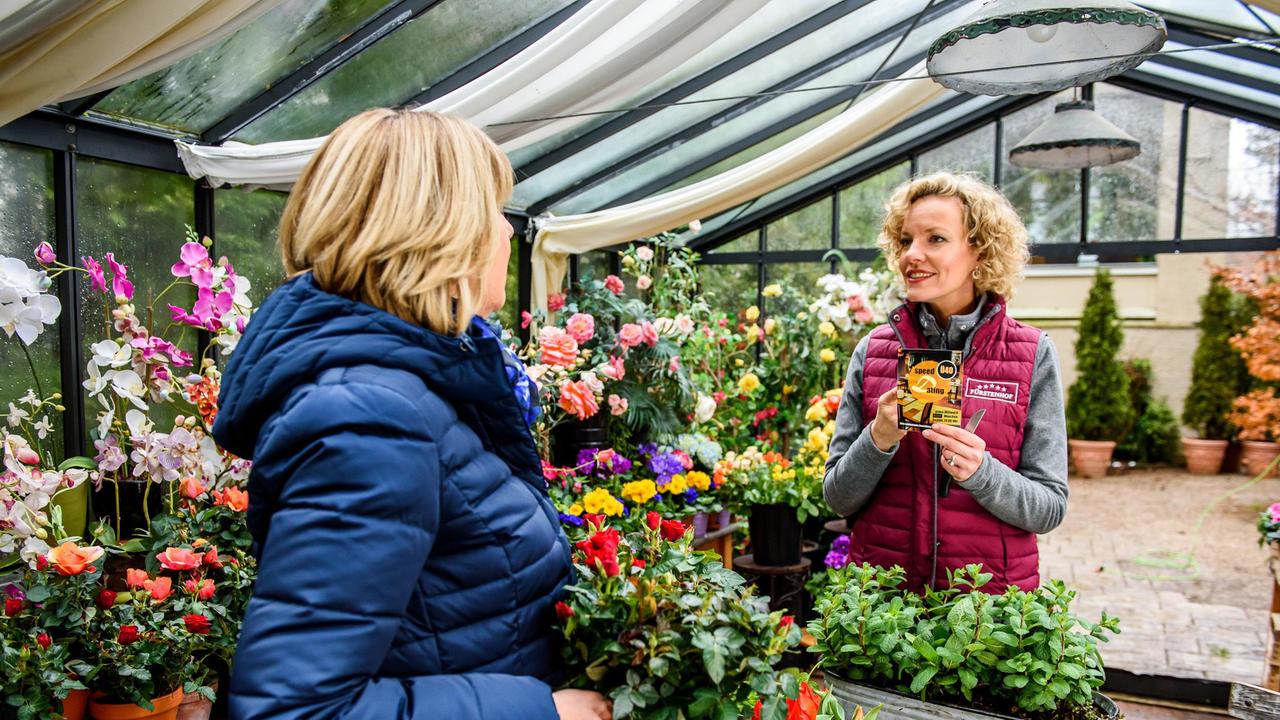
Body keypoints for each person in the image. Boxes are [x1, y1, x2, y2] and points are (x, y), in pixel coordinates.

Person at [211, 109, 612, 720]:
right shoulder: (371, 418)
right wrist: (541, 713)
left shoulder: (423, 386)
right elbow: (291, 712)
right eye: (492, 210)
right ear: (440, 231)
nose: (507, 231)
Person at [823, 172, 1068, 594]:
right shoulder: (874, 350)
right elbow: (838, 499)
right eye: (904, 241)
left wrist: (982, 472)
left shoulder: (1031, 354)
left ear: (980, 250)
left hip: (987, 620)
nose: (911, 255)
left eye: (935, 239)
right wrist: (878, 438)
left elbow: (1049, 508)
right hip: (884, 615)